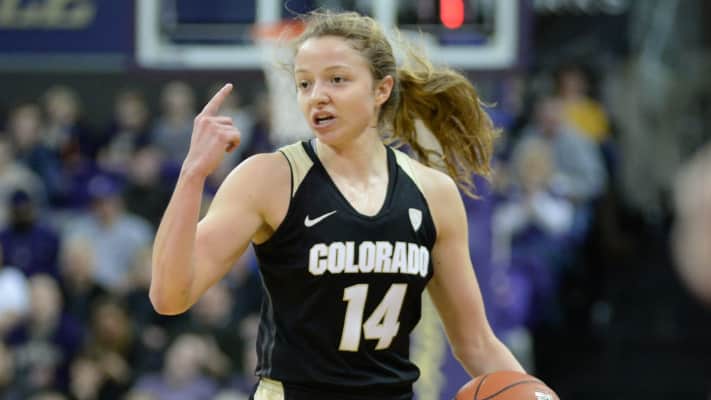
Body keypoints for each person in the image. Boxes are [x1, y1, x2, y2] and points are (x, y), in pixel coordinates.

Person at [150, 11, 524, 400]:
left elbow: (477, 344)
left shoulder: (434, 193)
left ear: (381, 90)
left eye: (337, 79)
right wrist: (192, 174)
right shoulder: (269, 179)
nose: (317, 95)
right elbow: (169, 296)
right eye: (305, 83)